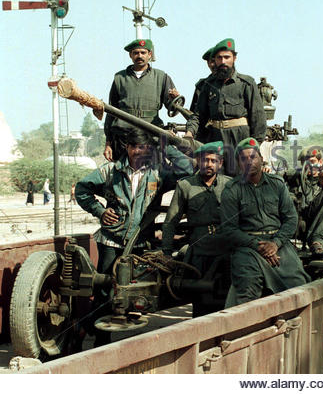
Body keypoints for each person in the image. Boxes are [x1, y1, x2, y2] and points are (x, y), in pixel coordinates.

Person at [75, 127, 193, 345]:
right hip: (112, 241)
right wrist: (100, 211)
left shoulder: (157, 173)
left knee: (134, 291)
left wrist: (166, 148)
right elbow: (82, 190)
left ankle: (93, 330)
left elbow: (187, 170)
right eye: (135, 147)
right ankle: (99, 340)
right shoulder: (110, 171)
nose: (140, 152)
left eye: (145, 147)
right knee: (105, 292)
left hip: (140, 243)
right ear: (127, 148)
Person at [219, 137, 310, 307]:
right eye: (243, 158)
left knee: (299, 285)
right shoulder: (232, 190)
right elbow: (229, 229)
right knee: (247, 288)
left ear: (261, 159)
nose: (249, 162)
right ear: (239, 163)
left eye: (253, 157)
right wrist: (258, 246)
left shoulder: (277, 185)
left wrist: (275, 244)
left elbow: (291, 219)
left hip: (279, 245)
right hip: (248, 248)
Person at [161, 141, 232, 317]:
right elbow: (171, 221)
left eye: (213, 160)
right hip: (200, 252)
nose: (208, 164)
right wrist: (167, 252)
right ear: (197, 161)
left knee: (228, 301)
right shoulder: (185, 186)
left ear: (220, 163)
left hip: (226, 250)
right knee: (201, 303)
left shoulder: (230, 185)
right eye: (204, 160)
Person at [185, 38, 266, 174]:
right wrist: (189, 133)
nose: (223, 62)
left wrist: (253, 146)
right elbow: (198, 115)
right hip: (215, 140)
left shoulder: (246, 83)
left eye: (227, 57)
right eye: (219, 58)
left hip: (240, 140)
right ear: (215, 60)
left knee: (241, 182)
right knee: (214, 179)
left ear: (234, 58)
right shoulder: (208, 85)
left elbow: (258, 118)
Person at [103, 39, 180, 162]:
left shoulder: (161, 77)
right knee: (123, 173)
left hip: (151, 134)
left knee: (153, 175)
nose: (139, 56)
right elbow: (111, 111)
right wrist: (108, 143)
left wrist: (174, 101)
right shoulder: (119, 78)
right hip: (124, 136)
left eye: (143, 53)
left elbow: (173, 109)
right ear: (130, 55)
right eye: (136, 53)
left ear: (150, 54)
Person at [282, 147, 323, 256]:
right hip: (297, 222)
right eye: (306, 162)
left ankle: (317, 241)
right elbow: (276, 179)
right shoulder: (294, 176)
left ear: (320, 162)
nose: (310, 165)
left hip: (317, 223)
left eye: (313, 162)